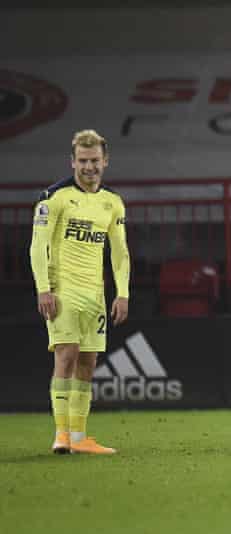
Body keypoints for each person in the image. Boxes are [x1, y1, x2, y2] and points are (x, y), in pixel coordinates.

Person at [30, 129, 130, 455]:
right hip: (63, 291)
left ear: (106, 161)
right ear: (72, 161)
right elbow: (38, 246)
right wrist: (44, 288)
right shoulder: (54, 197)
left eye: (95, 161)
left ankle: (79, 437)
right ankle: (60, 435)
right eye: (83, 161)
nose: (89, 167)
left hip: (96, 294)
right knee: (67, 355)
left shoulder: (112, 203)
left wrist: (122, 293)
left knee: (88, 362)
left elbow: (119, 253)